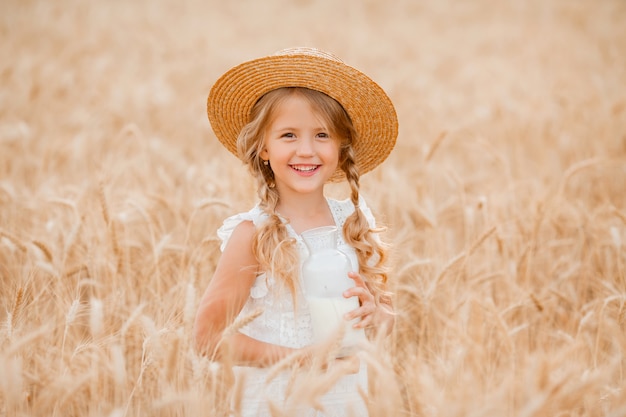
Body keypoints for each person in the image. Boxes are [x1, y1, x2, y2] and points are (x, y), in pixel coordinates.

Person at [193, 47, 398, 417]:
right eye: (288, 135)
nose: (306, 150)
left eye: (322, 135)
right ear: (263, 149)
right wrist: (296, 359)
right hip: (279, 401)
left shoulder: (353, 222)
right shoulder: (252, 234)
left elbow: (383, 317)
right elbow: (207, 338)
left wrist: (378, 315)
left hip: (347, 401)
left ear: (340, 147)